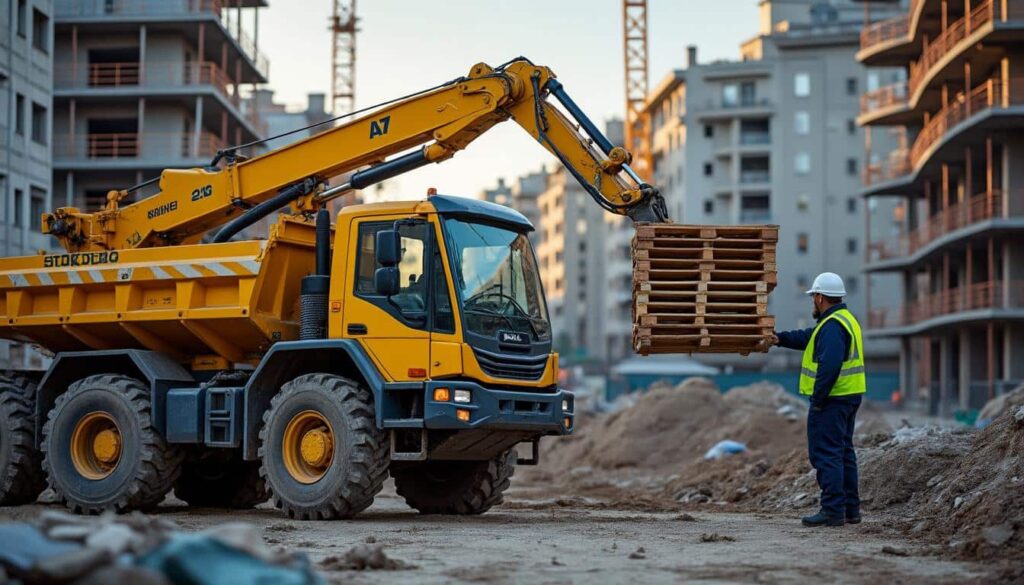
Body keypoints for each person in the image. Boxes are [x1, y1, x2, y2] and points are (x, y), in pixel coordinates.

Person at [768, 272, 866, 527]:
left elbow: (830, 365)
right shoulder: (842, 320)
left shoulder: (833, 326)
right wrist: (780, 338)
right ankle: (850, 510)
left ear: (820, 297)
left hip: (832, 400)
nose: (813, 301)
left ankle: (833, 510)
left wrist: (819, 399)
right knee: (843, 453)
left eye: (813, 297)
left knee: (827, 454)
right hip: (848, 397)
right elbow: (810, 338)